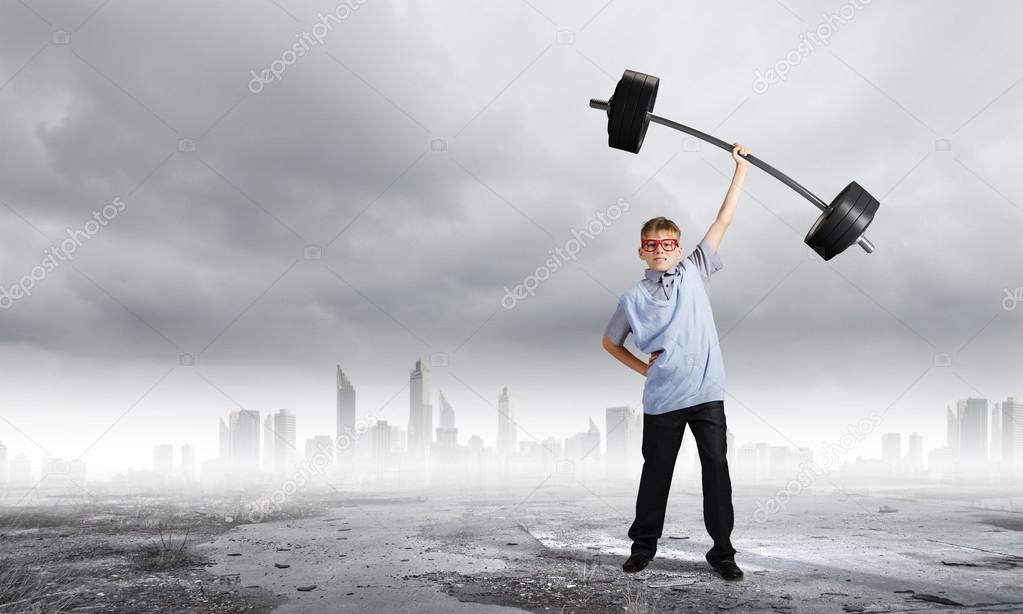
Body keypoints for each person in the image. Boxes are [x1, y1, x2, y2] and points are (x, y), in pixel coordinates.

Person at [601, 143, 750, 581]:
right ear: (641, 251)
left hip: (706, 395)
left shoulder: (693, 271)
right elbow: (610, 343)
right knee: (656, 476)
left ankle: (722, 553)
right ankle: (642, 547)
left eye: (668, 243)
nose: (661, 249)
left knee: (717, 472)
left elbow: (724, 219)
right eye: (653, 245)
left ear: (678, 246)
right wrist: (644, 369)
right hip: (662, 399)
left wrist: (739, 169)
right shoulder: (632, 298)